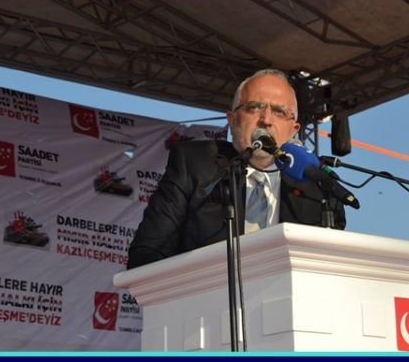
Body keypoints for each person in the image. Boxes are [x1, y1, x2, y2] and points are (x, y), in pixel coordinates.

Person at [127, 69, 346, 269]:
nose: (266, 120)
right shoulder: (195, 164)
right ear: (232, 120)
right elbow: (146, 254)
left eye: (279, 111)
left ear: (294, 130)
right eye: (254, 107)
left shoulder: (317, 186)